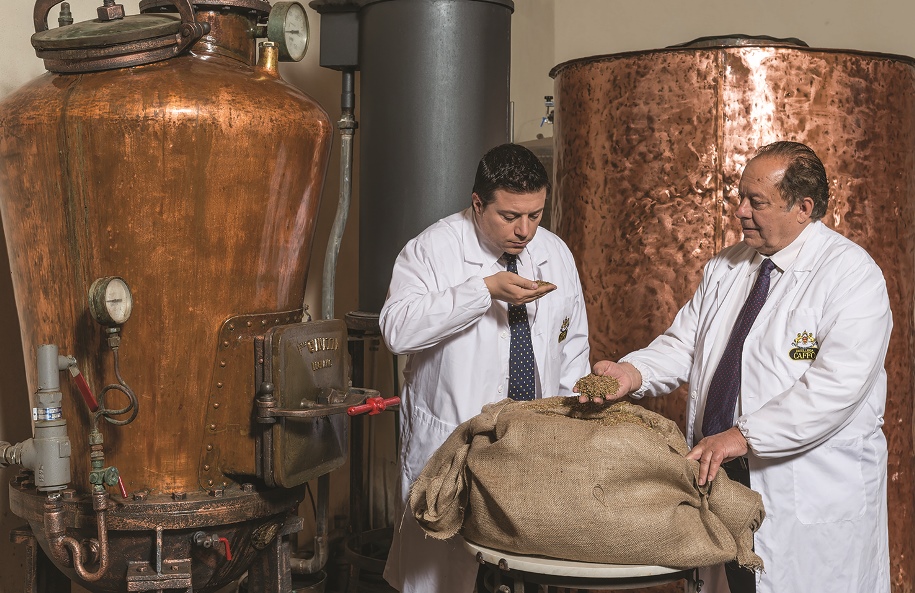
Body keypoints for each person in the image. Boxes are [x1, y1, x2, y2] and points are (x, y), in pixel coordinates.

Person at [586, 141, 892, 593]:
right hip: (722, 477)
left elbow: (835, 387)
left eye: (757, 202)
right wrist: (633, 373)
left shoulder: (851, 275)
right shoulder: (727, 267)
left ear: (803, 207)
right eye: (740, 197)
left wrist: (742, 436)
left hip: (803, 490)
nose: (741, 212)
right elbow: (685, 342)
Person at [380, 143, 591, 593]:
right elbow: (397, 331)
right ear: (478, 204)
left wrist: (573, 423)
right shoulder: (433, 249)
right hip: (451, 441)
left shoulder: (554, 252)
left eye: (535, 215)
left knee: (525, 571)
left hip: (529, 443)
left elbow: (572, 345)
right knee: (443, 574)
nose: (525, 231)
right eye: (510, 216)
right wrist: (483, 291)